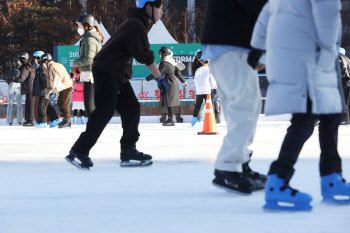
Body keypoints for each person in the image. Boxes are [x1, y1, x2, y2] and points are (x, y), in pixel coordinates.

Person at [250, 0, 350, 210]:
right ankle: (278, 180)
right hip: (310, 55)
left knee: (331, 113)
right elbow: (329, 12)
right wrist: (327, 51)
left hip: (293, 54)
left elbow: (265, 15)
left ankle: (331, 177)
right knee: (305, 119)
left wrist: (257, 50)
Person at [65, 0, 166, 169]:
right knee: (105, 111)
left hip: (117, 73)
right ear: (149, 7)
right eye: (160, 8)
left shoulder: (137, 23)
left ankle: (128, 151)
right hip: (107, 71)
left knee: (131, 108)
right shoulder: (135, 24)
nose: (162, 12)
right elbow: (145, 56)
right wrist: (159, 77)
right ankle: (79, 150)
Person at [201, 0, 268, 194]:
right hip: (230, 45)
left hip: (231, 44)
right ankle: (228, 167)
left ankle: (240, 163)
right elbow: (262, 9)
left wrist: (258, 51)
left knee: (245, 107)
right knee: (245, 107)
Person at [144, 46, 188, 126]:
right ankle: (171, 119)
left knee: (169, 102)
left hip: (169, 84)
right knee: (169, 102)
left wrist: (146, 79)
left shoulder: (164, 63)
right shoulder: (172, 62)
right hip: (173, 83)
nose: (160, 55)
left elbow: (156, 73)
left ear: (164, 53)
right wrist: (183, 81)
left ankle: (171, 120)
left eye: (161, 53)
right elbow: (178, 73)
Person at [73, 14, 103, 118]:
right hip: (89, 73)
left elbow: (89, 59)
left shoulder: (89, 39)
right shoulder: (88, 38)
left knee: (89, 103)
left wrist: (75, 63)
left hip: (90, 73)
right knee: (89, 103)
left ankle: (93, 128)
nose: (78, 28)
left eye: (79, 25)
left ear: (86, 25)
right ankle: (93, 127)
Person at [41, 53, 73, 128]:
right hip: (67, 85)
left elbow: (52, 80)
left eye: (42, 62)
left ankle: (67, 121)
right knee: (64, 104)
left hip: (64, 87)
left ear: (46, 61)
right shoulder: (57, 64)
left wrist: (48, 90)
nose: (43, 65)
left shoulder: (51, 67)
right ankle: (67, 120)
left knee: (62, 104)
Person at [33, 53, 59, 128]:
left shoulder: (42, 68)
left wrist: (47, 90)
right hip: (44, 90)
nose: (35, 60)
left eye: (36, 58)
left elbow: (45, 79)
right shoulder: (40, 67)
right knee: (46, 106)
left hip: (45, 90)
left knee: (42, 106)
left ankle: (43, 122)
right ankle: (55, 119)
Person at [10, 52, 36, 127]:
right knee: (28, 104)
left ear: (23, 59)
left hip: (30, 88)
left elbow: (21, 78)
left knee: (30, 105)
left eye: (20, 59)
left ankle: (30, 120)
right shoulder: (28, 66)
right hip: (29, 88)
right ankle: (28, 119)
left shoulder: (26, 67)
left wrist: (12, 79)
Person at [191, 57, 216, 126]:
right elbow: (212, 81)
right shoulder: (209, 70)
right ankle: (211, 120)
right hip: (207, 90)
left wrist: (197, 87)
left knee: (197, 106)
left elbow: (195, 80)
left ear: (201, 62)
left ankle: (193, 120)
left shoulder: (198, 70)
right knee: (209, 106)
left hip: (199, 90)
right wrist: (211, 88)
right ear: (208, 62)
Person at [3, 58, 23, 126]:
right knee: (19, 104)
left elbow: (4, 76)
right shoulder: (20, 71)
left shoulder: (10, 71)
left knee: (10, 103)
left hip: (11, 85)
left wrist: (8, 82)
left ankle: (9, 121)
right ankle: (20, 120)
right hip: (18, 86)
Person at [339, 47, 350, 125]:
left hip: (342, 80)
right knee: (346, 100)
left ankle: (344, 119)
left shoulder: (338, 56)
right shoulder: (347, 58)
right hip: (348, 80)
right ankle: (345, 118)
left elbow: (341, 68)